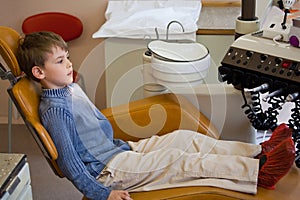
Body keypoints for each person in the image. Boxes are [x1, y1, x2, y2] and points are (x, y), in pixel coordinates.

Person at [16, 31, 295, 200]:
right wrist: (101, 194)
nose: (69, 63)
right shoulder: (55, 110)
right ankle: (259, 172)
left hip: (120, 151)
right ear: (39, 73)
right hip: (108, 172)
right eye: (61, 60)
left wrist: (123, 147)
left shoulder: (70, 88)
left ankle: (257, 151)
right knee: (178, 161)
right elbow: (69, 162)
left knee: (184, 139)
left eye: (67, 56)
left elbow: (94, 129)